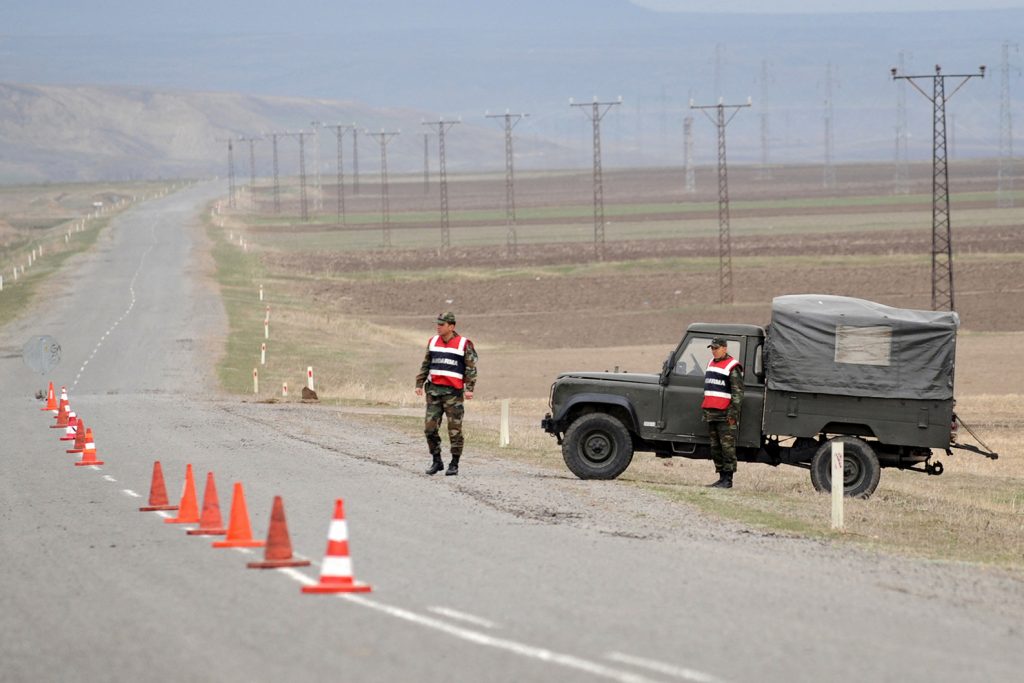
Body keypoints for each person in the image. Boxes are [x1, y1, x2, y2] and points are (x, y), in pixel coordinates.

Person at [415, 311, 478, 476]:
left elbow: (471, 368)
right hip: (434, 392)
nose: (438, 327)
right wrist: (419, 383)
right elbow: (426, 363)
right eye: (437, 324)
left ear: (451, 326)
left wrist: (469, 388)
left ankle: (454, 463)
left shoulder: (464, 344)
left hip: (453, 395)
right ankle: (437, 461)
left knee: (454, 430)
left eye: (442, 324)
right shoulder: (433, 341)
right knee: (429, 429)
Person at [701, 337, 744, 489]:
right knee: (715, 448)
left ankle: (728, 480)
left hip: (725, 416)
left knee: (727, 449)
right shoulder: (711, 363)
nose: (714, 351)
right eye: (712, 348)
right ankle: (721, 478)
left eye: (716, 348)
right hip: (711, 414)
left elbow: (737, 394)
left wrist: (732, 415)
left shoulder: (732, 366)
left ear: (725, 348)